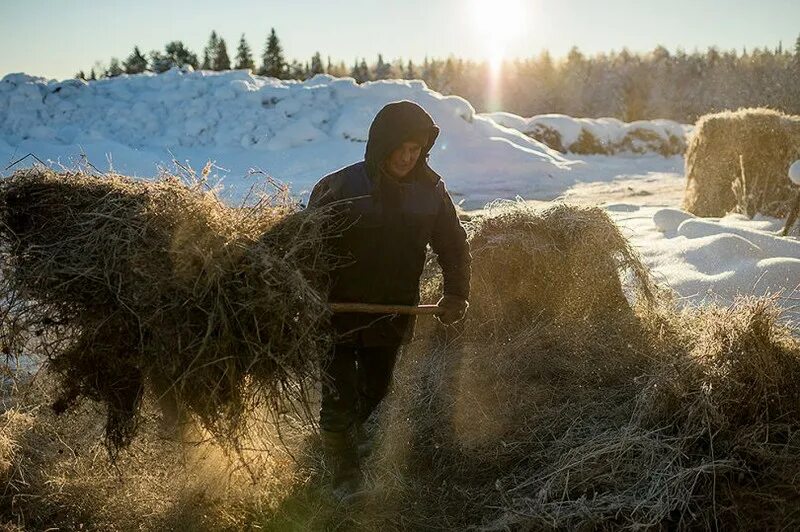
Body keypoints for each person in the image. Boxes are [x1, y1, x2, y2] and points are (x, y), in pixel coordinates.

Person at [307, 100, 471, 500]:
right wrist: (306, 293)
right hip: (337, 314)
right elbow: (305, 246)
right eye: (400, 148)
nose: (407, 157)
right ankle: (343, 476)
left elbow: (453, 245)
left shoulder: (430, 191)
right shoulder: (341, 188)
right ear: (380, 145)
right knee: (338, 394)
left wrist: (456, 293)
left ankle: (342, 442)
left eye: (415, 149)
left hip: (393, 312)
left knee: (376, 389)